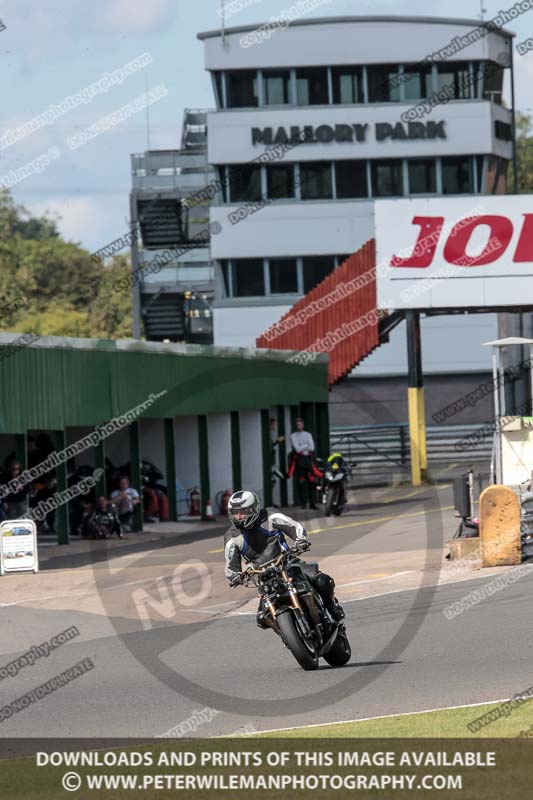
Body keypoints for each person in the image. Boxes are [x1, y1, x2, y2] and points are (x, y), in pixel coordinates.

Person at [224, 490, 345, 629]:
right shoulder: (231, 537)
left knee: (322, 580)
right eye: (235, 512)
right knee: (261, 618)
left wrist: (300, 540)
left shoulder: (270, 516)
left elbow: (295, 526)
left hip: (288, 563)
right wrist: (235, 576)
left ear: (254, 509)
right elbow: (230, 566)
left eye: (243, 512)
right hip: (264, 576)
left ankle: (332, 608)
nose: (238, 516)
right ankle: (286, 634)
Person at [289, 418, 319, 510]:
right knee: (302, 482)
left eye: (300, 425)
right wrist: (306, 445)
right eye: (297, 425)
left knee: (312, 481)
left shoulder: (308, 434)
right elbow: (297, 449)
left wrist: (302, 445)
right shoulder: (293, 436)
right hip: (300, 460)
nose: (299, 427)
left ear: (303, 425)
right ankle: (303, 503)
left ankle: (313, 503)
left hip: (308, 459)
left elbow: (312, 448)